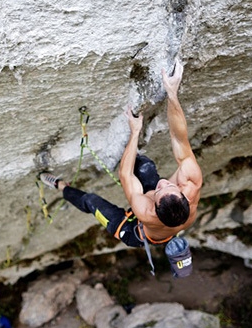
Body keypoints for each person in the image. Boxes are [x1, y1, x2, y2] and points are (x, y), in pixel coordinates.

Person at [39, 58, 202, 250]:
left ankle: (61, 187)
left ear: (154, 207)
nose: (163, 182)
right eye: (170, 186)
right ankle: (133, 156)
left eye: (159, 190)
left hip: (133, 232)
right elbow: (179, 139)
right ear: (184, 196)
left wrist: (134, 132)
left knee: (91, 201)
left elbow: (125, 175)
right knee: (144, 166)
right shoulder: (191, 184)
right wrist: (172, 93)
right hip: (167, 217)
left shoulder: (144, 210)